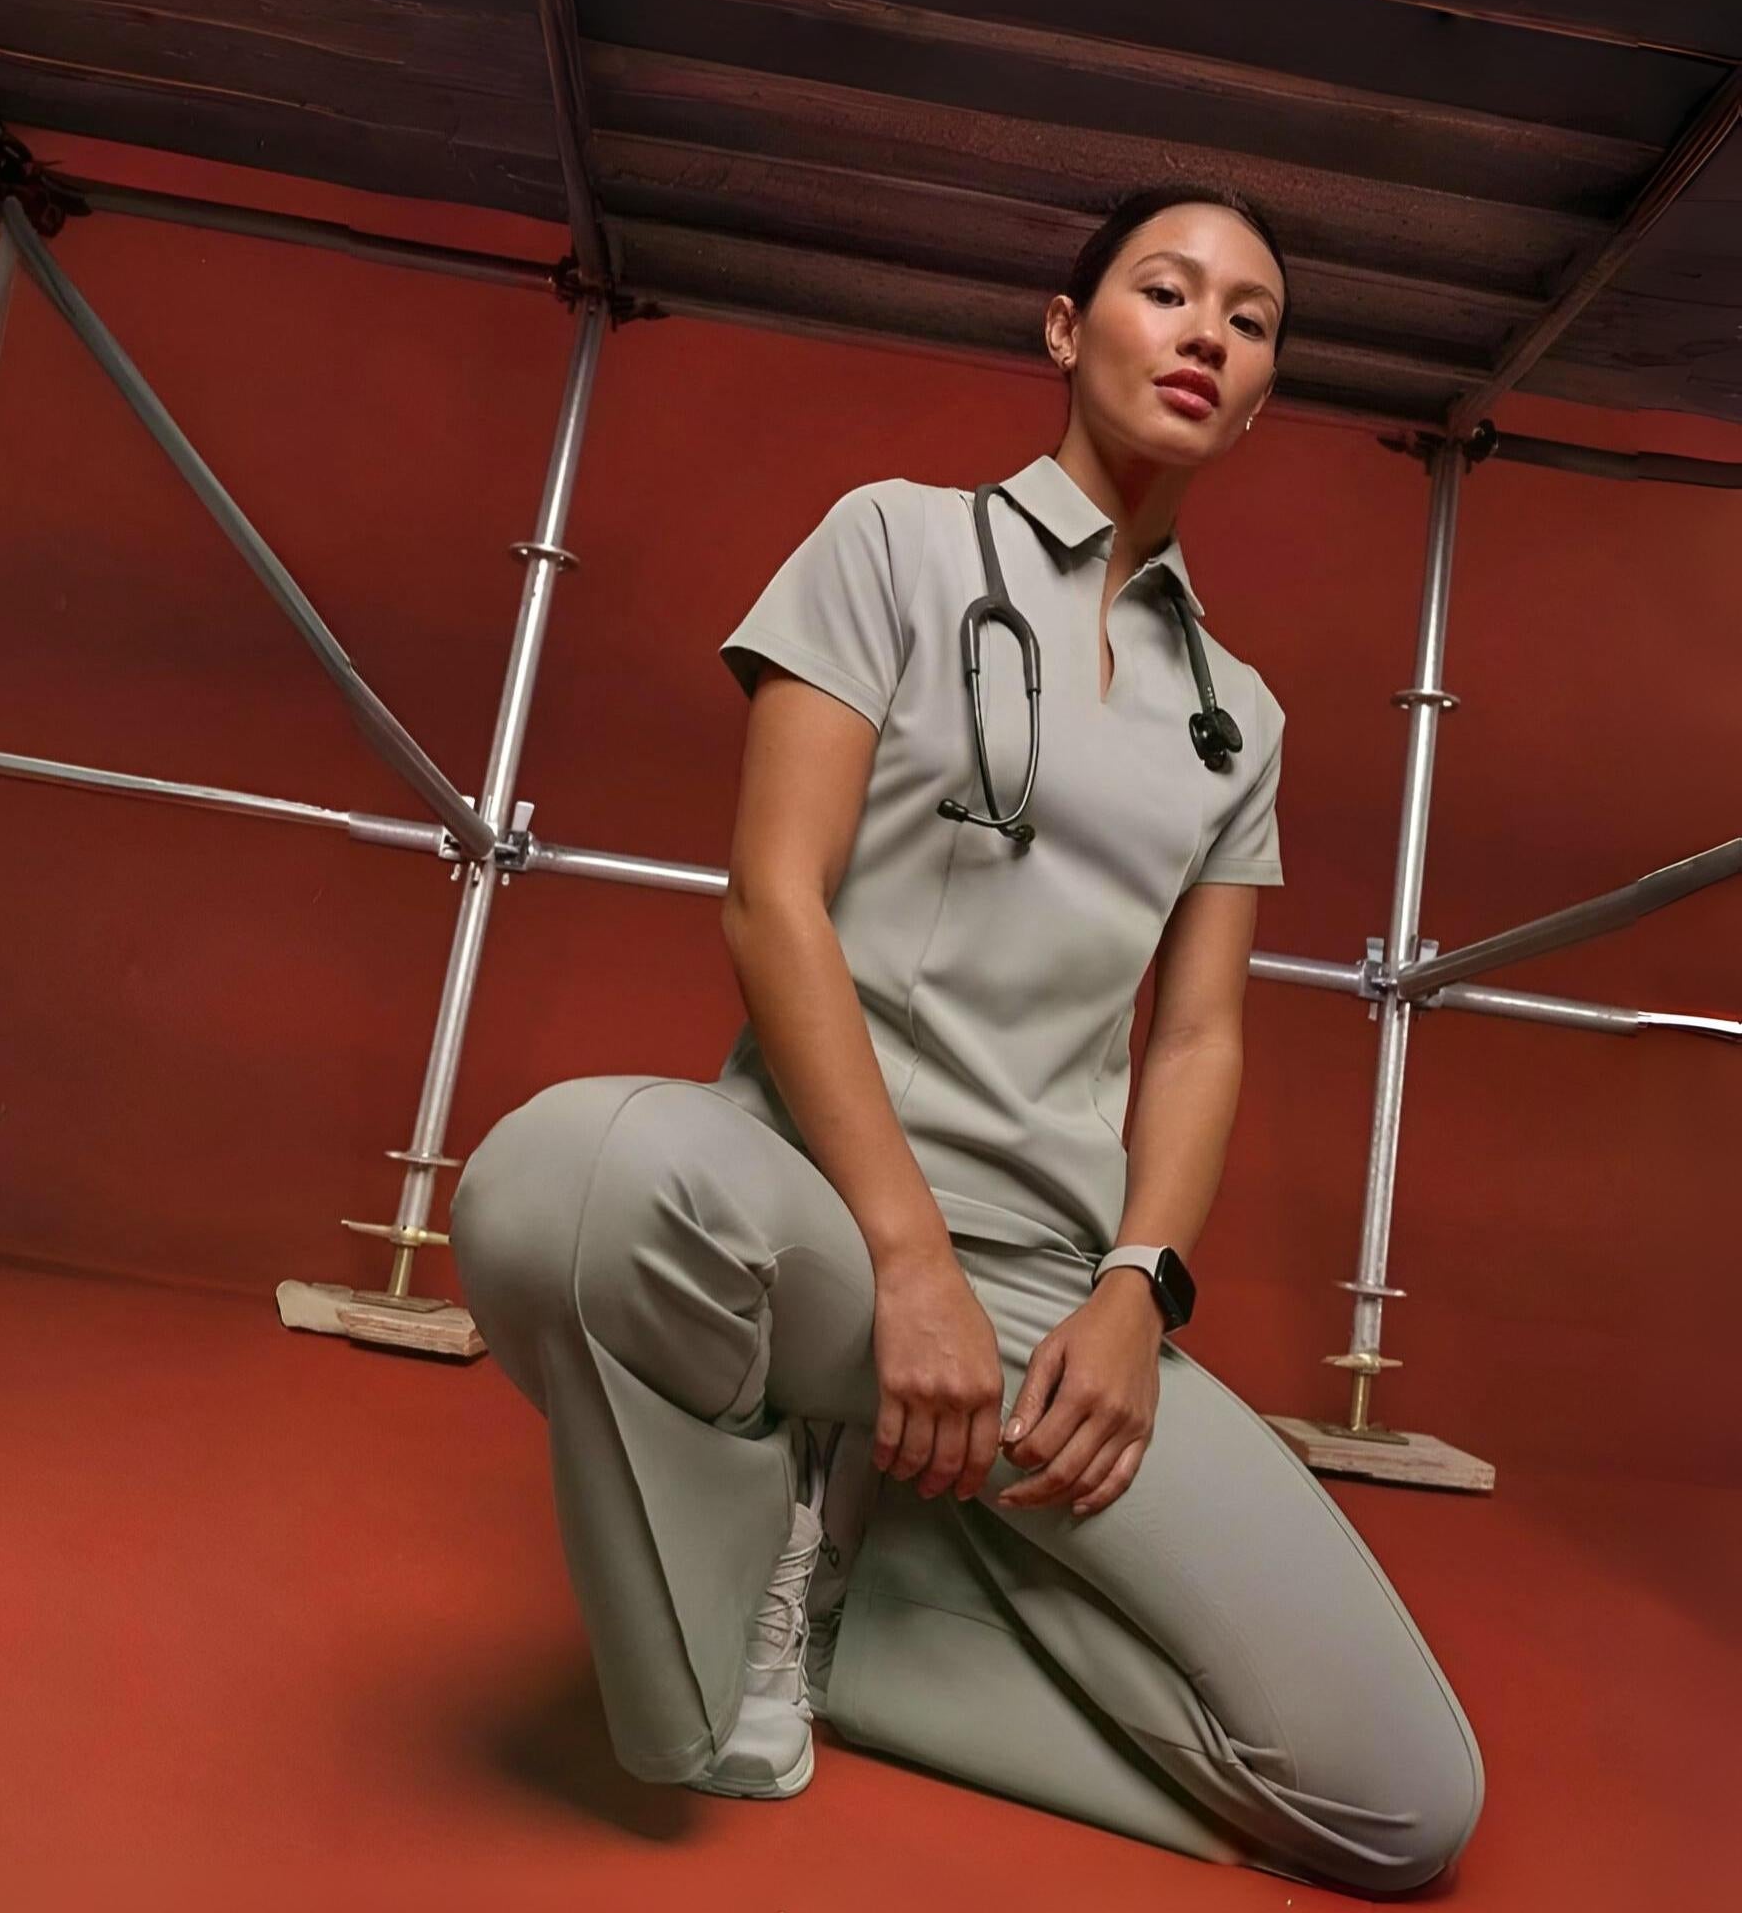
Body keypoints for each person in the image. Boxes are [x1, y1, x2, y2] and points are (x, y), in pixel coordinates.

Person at [451, 186, 1482, 1891]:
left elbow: (1199, 1038)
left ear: (1261, 396)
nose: (1208, 331)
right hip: (811, 1223)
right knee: (564, 1178)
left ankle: (887, 1612)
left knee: (1399, 1802)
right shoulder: (895, 546)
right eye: (1166, 291)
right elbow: (774, 903)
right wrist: (905, 1255)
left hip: (1049, 1307)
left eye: (1251, 319)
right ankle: (756, 1612)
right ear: (1069, 333)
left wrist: (1142, 1285)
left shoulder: (1246, 719)